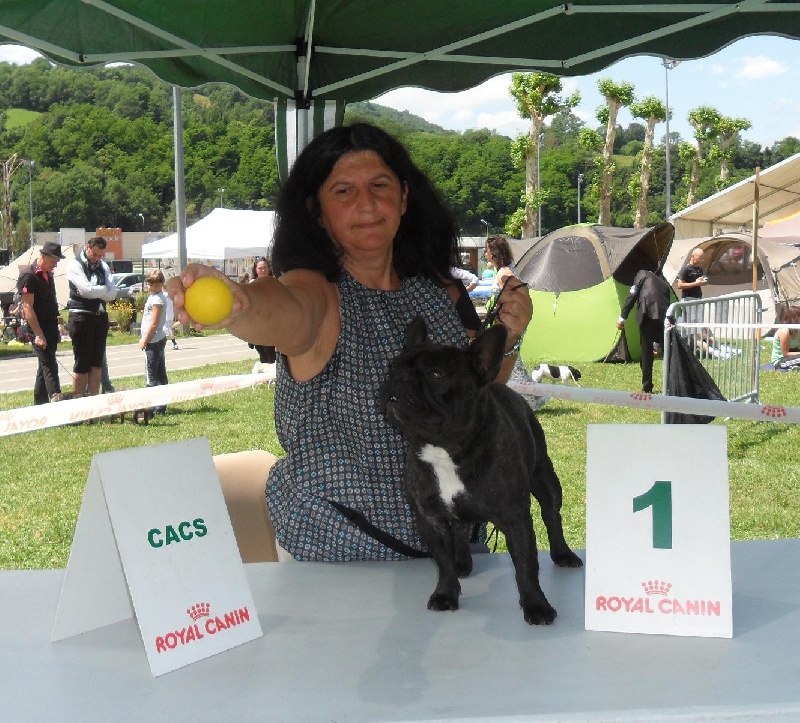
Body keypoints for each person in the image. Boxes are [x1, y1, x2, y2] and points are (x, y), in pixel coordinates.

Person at [168, 122, 532, 562]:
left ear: (403, 198)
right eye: (343, 191)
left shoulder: (440, 294)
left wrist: (508, 338)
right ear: (316, 211)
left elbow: (478, 390)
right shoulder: (319, 292)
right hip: (337, 559)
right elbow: (287, 311)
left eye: (380, 185)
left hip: (455, 548)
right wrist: (239, 304)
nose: (366, 203)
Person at [16, 241, 66, 404]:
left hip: (50, 324)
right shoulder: (29, 276)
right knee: (50, 364)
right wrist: (38, 335)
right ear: (43, 256)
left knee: (44, 365)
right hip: (38, 326)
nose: (55, 265)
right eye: (54, 261)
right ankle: (56, 398)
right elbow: (28, 308)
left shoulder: (48, 274)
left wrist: (58, 322)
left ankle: (40, 404)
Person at [66, 236, 117, 396]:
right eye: (95, 254)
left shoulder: (103, 266)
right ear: (87, 248)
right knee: (82, 363)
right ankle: (79, 401)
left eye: (100, 255)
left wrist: (96, 290)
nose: (97, 258)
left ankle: (95, 401)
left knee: (97, 364)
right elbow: (85, 291)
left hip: (100, 316)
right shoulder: (75, 264)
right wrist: (103, 290)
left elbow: (113, 293)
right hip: (81, 317)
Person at [616, 269, 671, 393]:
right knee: (666, 351)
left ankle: (647, 386)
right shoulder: (662, 283)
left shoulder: (640, 274)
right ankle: (670, 385)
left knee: (646, 352)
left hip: (647, 313)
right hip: (663, 316)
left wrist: (622, 317)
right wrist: (656, 344)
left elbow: (632, 295)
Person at [139, 270, 169, 412]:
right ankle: (161, 404)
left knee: (151, 375)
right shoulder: (154, 297)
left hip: (153, 340)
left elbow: (154, 323)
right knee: (160, 373)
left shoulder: (157, 299)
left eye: (155, 285)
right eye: (149, 284)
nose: (151, 287)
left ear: (161, 284)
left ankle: (150, 407)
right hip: (157, 339)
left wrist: (145, 340)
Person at [248, 256, 276, 367]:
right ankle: (265, 371)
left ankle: (272, 370)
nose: (263, 270)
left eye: (265, 267)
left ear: (269, 268)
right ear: (255, 270)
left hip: (271, 320)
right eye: (260, 268)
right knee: (261, 349)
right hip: (256, 322)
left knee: (271, 349)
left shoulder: (274, 282)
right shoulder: (252, 283)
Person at [771, 305, 800, 371]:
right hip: (780, 361)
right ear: (794, 318)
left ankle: (795, 367)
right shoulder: (784, 331)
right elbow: (786, 353)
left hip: (793, 356)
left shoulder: (797, 330)